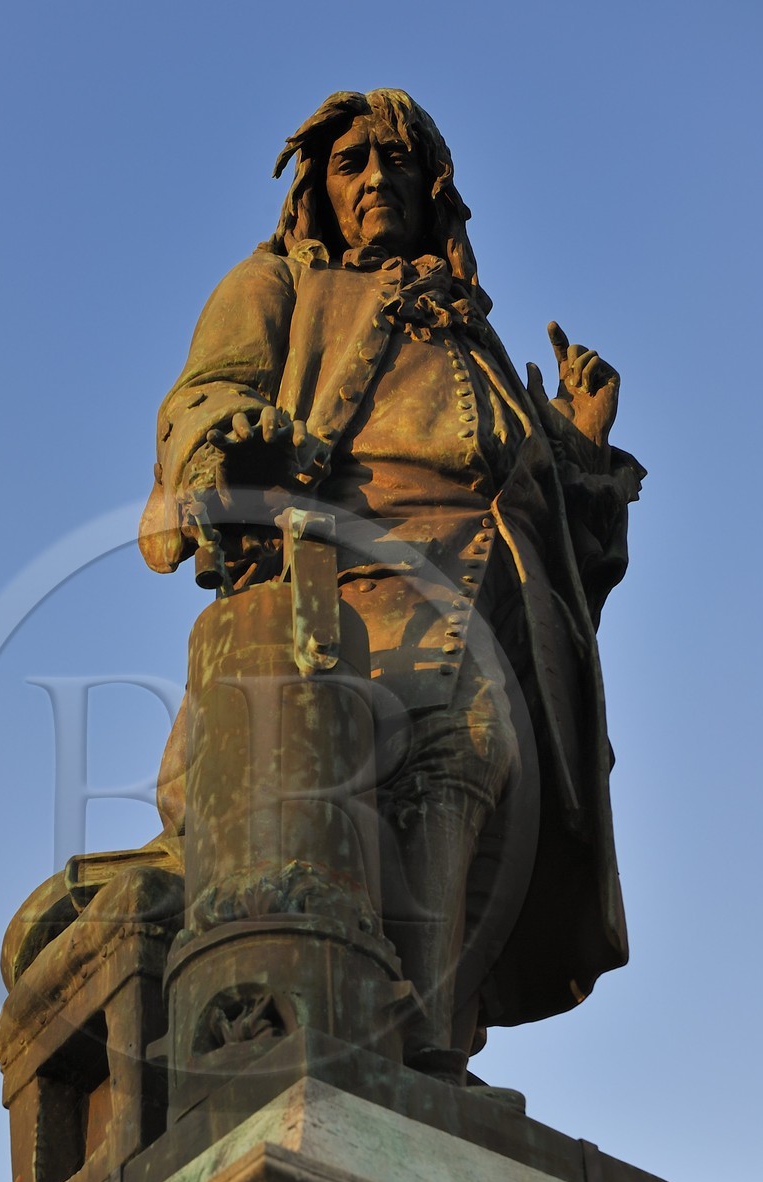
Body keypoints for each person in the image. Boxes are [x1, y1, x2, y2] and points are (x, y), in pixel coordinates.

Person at [138, 88, 643, 1084]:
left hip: (499, 596)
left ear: (432, 185)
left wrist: (579, 441)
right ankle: (413, 1054)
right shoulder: (274, 283)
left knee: (474, 781)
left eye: (395, 162)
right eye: (350, 164)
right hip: (359, 573)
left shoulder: (473, 336)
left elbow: (567, 537)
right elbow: (204, 397)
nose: (375, 179)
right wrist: (226, 450)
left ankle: (430, 1049)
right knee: (438, 768)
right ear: (318, 189)